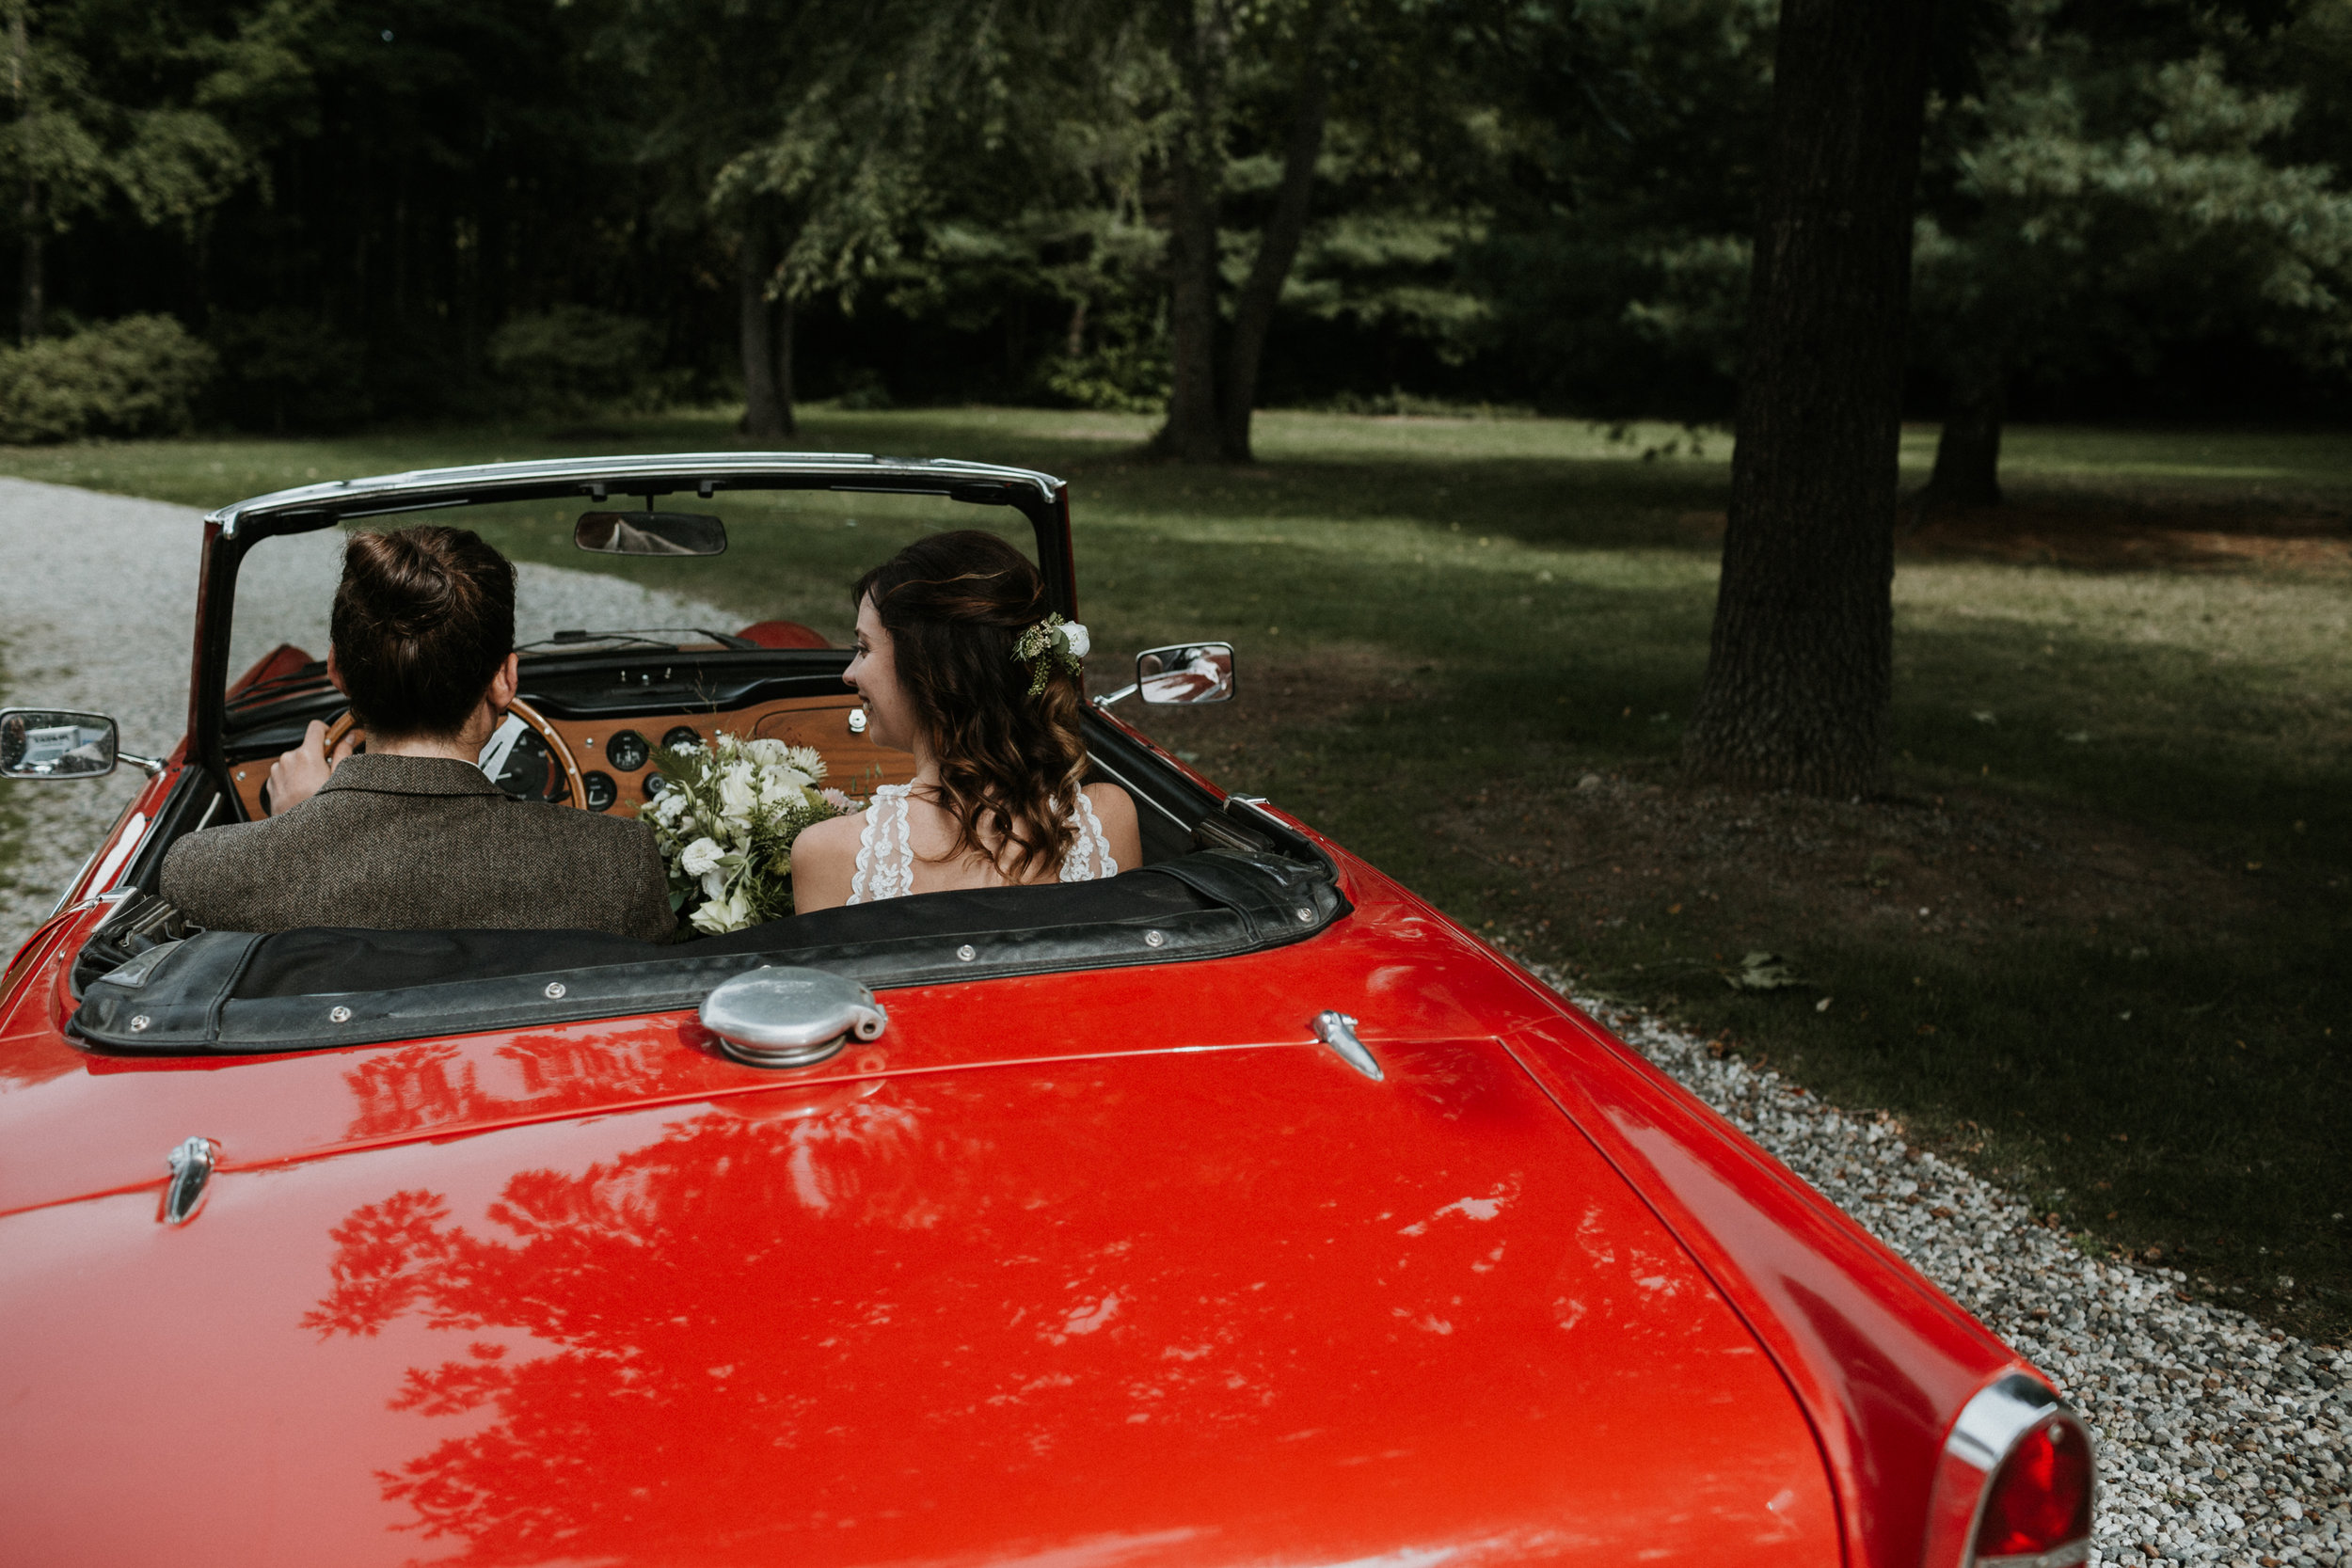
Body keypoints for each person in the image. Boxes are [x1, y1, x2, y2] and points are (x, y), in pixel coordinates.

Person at [162, 525, 675, 939]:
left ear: (337, 670)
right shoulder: (615, 864)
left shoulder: (205, 872)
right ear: (505, 679)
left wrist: (300, 828)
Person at [789, 531, 1142, 911]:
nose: (849, 674)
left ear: (926, 667)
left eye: (864, 648)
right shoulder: (1106, 820)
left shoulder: (830, 854)